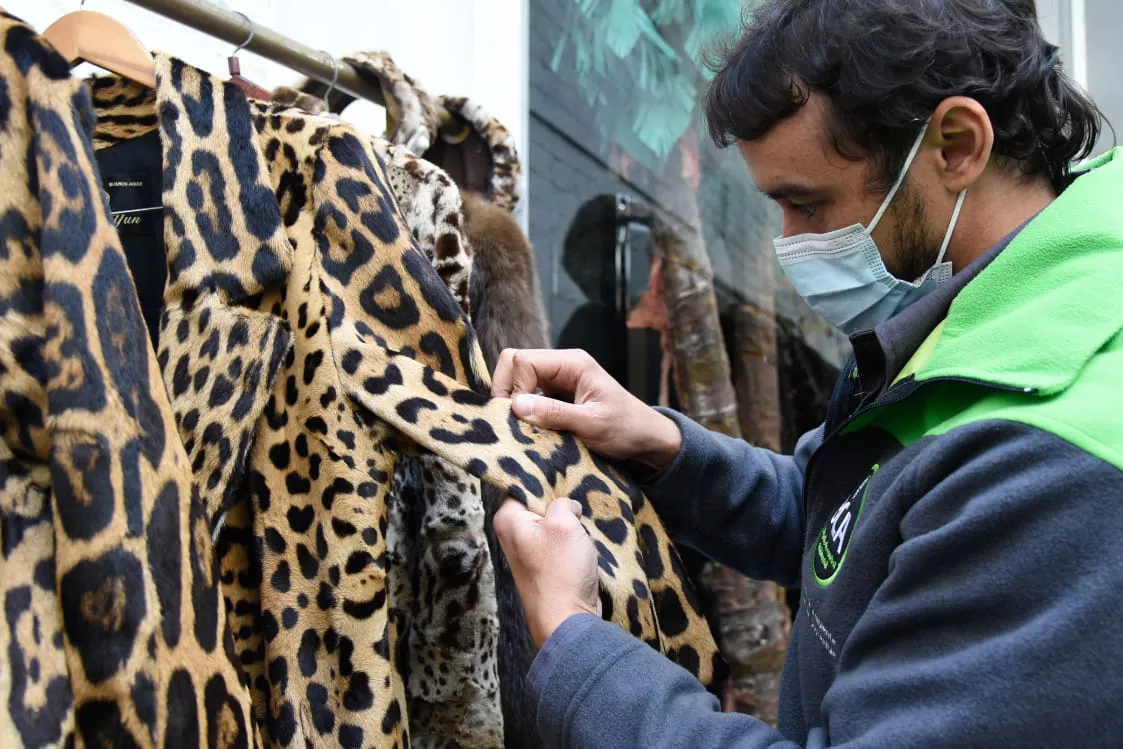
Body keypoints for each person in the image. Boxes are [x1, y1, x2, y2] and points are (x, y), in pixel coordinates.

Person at [490, 0, 1123, 746]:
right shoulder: (982, 316)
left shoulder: (1052, 460)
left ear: (955, 145)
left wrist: (571, 640)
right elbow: (846, 521)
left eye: (807, 203)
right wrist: (660, 443)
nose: (790, 249)